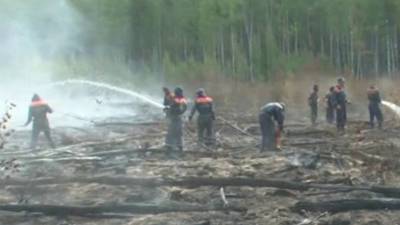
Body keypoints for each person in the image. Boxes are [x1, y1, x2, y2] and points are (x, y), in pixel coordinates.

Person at [164, 87, 187, 152]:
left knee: (176, 132)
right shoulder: (175, 98)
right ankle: (170, 145)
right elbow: (166, 103)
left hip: (177, 117)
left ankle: (178, 146)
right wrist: (166, 94)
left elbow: (184, 107)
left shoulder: (181, 99)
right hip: (173, 117)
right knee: (172, 131)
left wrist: (180, 112)